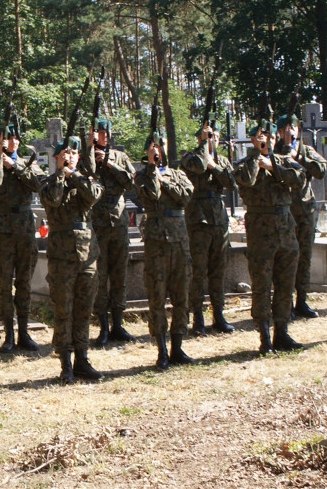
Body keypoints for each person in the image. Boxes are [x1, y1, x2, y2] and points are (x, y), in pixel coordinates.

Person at [233, 121, 305, 354]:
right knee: (262, 286)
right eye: (261, 137)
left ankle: (282, 332)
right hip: (261, 232)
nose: (267, 140)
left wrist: (273, 166)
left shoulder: (284, 162)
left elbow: (299, 180)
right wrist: (257, 157)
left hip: (285, 230)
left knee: (285, 285)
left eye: (271, 136)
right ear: (253, 140)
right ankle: (264, 335)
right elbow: (247, 180)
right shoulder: (245, 164)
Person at [41, 136, 104, 383]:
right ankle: (65, 362)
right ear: (56, 158)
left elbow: (92, 197)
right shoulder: (49, 183)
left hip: (88, 254)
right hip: (61, 256)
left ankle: (82, 359)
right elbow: (53, 200)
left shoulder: (87, 180)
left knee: (84, 309)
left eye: (74, 154)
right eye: (65, 154)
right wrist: (61, 174)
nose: (70, 157)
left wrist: (75, 174)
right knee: (63, 310)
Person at [135, 133, 196, 368]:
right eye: (154, 147)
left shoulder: (178, 174)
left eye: (161, 146)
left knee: (182, 295)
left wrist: (165, 179)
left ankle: (178, 347)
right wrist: (151, 169)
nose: (158, 150)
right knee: (157, 297)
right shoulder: (141, 176)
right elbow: (151, 194)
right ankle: (161, 349)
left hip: (180, 241)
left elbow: (185, 197)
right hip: (156, 242)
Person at [0, 125, 43, 353]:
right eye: (7, 138)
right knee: (4, 282)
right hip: (2, 230)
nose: (13, 142)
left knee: (24, 280)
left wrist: (14, 165)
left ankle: (24, 332)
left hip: (25, 228)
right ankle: (8, 333)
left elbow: (37, 184)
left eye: (15, 138)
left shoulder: (29, 164)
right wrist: (0, 159)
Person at [182, 122, 236, 335]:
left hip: (218, 220)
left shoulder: (221, 160)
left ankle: (219, 314)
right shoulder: (190, 157)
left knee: (218, 270)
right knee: (199, 270)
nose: (212, 139)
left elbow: (231, 183)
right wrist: (205, 151)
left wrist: (215, 166)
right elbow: (198, 167)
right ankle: (197, 316)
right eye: (207, 136)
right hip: (199, 220)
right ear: (199, 138)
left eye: (214, 136)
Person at [87, 119, 138, 346]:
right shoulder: (86, 156)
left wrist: (109, 163)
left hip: (118, 221)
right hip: (97, 222)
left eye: (106, 132)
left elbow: (130, 182)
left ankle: (118, 323)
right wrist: (90, 153)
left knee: (119, 273)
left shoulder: (120, 157)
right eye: (99, 132)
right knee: (101, 275)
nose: (104, 136)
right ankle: (103, 327)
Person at [274, 115, 327, 319]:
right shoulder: (275, 151)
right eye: (286, 128)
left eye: (294, 127)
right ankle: (284, 303)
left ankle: (302, 300)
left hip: (305, 210)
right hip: (284, 213)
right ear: (279, 132)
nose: (291, 131)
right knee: (285, 259)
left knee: (305, 257)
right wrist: (286, 153)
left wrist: (300, 156)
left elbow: (321, 169)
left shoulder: (306, 150)